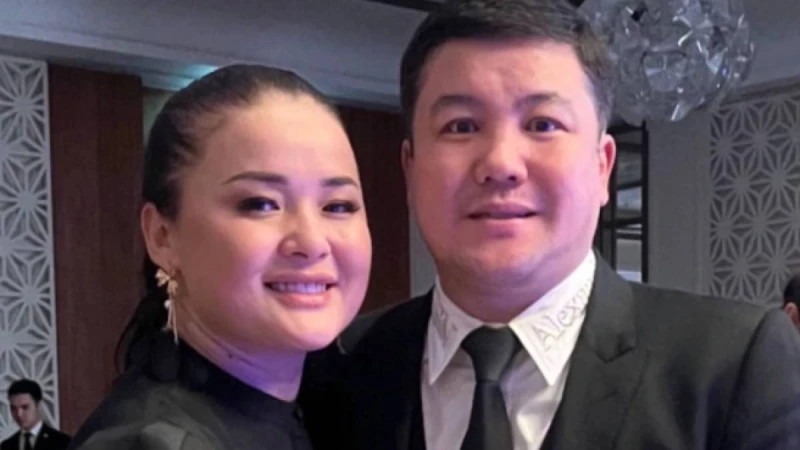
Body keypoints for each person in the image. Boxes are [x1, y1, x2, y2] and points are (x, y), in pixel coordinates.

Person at [299, 0, 800, 449]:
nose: (500, 163)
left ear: (602, 167)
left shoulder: (734, 364)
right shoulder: (337, 367)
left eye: (543, 125)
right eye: (461, 126)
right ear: (410, 169)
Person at [66, 64, 372, 450]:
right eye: (261, 204)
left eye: (338, 206)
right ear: (162, 236)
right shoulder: (154, 442)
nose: (312, 241)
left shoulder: (331, 406)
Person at [2, 379, 70, 450]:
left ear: (38, 405)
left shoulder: (62, 442)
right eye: (13, 408)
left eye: (25, 407)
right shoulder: (6, 445)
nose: (19, 414)